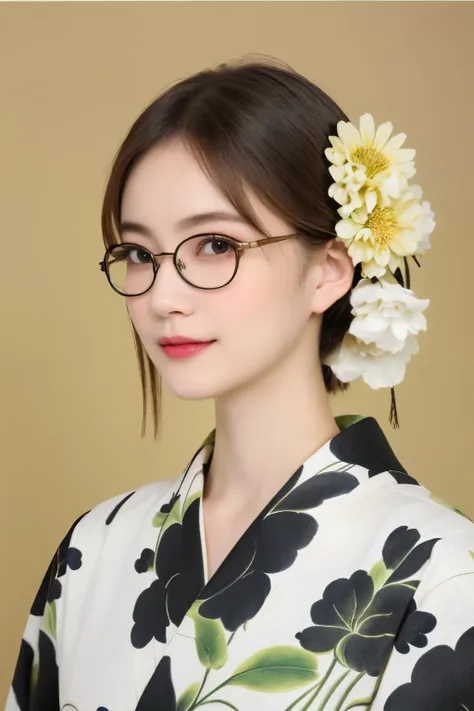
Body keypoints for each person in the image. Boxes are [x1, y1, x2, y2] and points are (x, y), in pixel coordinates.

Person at [6, 57, 474, 711]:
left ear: (329, 270)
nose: (164, 295)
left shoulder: (441, 573)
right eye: (140, 254)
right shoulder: (95, 546)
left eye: (216, 245)